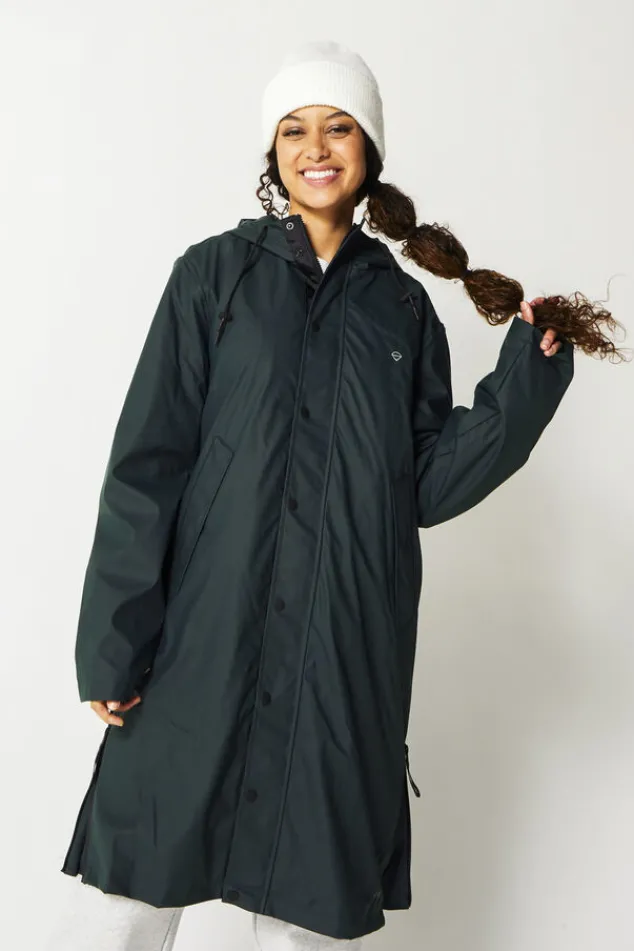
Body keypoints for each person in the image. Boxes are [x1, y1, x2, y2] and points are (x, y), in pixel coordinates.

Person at [49, 37, 605, 951]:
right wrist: (114, 638)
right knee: (128, 896)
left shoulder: (402, 310)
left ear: (369, 149)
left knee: (301, 912)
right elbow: (148, 462)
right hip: (200, 645)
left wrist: (525, 386)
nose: (316, 147)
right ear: (272, 151)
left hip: (334, 656)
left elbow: (423, 482)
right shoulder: (212, 277)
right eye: (295, 129)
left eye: (339, 126)